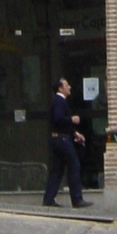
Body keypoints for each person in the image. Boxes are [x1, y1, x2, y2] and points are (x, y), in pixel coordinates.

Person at [42, 77, 92, 208]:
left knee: (57, 170)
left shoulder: (58, 101)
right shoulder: (59, 101)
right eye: (67, 85)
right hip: (62, 140)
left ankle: (48, 198)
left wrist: (75, 134)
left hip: (58, 139)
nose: (69, 87)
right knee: (74, 165)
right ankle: (77, 199)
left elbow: (62, 125)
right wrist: (72, 119)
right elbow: (59, 119)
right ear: (60, 88)